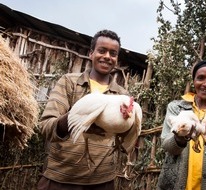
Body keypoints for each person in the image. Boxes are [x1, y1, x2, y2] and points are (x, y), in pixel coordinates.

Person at [38, 29, 137, 190]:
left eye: (113, 53)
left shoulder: (121, 96)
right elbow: (45, 126)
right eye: (102, 50)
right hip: (60, 179)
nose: (107, 56)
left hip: (102, 182)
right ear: (91, 53)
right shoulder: (69, 82)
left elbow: (127, 141)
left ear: (117, 59)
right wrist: (76, 119)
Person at [157, 60, 206, 190]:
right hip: (175, 184)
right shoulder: (176, 108)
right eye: (200, 78)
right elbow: (166, 145)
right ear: (193, 80)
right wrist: (179, 138)